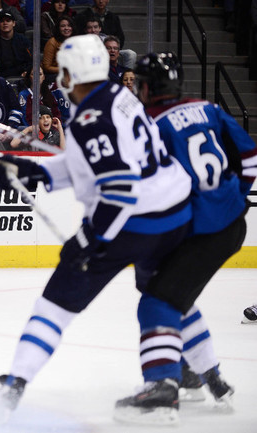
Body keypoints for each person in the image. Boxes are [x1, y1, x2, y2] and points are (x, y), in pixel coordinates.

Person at [0, 34, 193, 418]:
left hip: (132, 221)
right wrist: (29, 170)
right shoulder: (119, 95)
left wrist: (89, 239)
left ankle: (15, 383)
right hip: (174, 214)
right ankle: (191, 374)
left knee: (55, 303)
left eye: (64, 70)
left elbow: (118, 189)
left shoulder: (89, 119)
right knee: (164, 298)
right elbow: (89, 168)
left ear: (76, 72)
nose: (60, 78)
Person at [113, 52, 256, 424]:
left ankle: (162, 388)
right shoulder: (207, 107)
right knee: (166, 289)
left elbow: (143, 184)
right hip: (232, 223)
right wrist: (237, 194)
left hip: (200, 230)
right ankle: (204, 373)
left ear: (146, 87)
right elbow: (251, 153)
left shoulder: (152, 125)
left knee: (156, 302)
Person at [0, 11, 32, 79]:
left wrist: (27, 71)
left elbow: (31, 60)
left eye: (8, 21)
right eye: (2, 21)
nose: (5, 23)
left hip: (21, 75)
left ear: (14, 23)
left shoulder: (23, 41)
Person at [41, 15, 75, 82]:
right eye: (63, 26)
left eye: (69, 26)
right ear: (58, 28)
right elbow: (46, 67)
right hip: (55, 76)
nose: (66, 28)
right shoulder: (52, 42)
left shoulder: (77, 41)